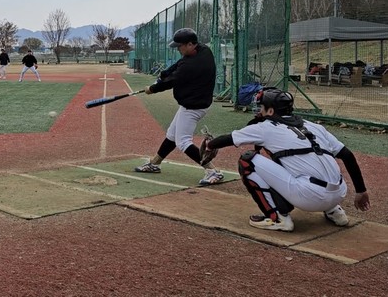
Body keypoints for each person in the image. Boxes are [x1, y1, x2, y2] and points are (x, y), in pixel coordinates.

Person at [203, 87, 371, 232]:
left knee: (248, 160)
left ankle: (278, 219)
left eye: (261, 107)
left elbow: (228, 139)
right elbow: (347, 155)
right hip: (339, 193)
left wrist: (210, 145)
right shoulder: (313, 126)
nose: (258, 110)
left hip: (310, 197)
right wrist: (361, 191)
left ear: (270, 111)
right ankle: (334, 211)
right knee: (294, 158)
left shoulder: (265, 127)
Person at [135, 28, 223, 185]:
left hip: (194, 106)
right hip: (193, 102)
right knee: (172, 135)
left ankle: (212, 171)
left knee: (182, 141)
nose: (178, 49)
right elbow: (178, 65)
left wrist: (153, 88)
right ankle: (155, 163)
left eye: (180, 46)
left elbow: (172, 80)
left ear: (190, 44)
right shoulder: (203, 50)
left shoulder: (192, 66)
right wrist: (163, 74)